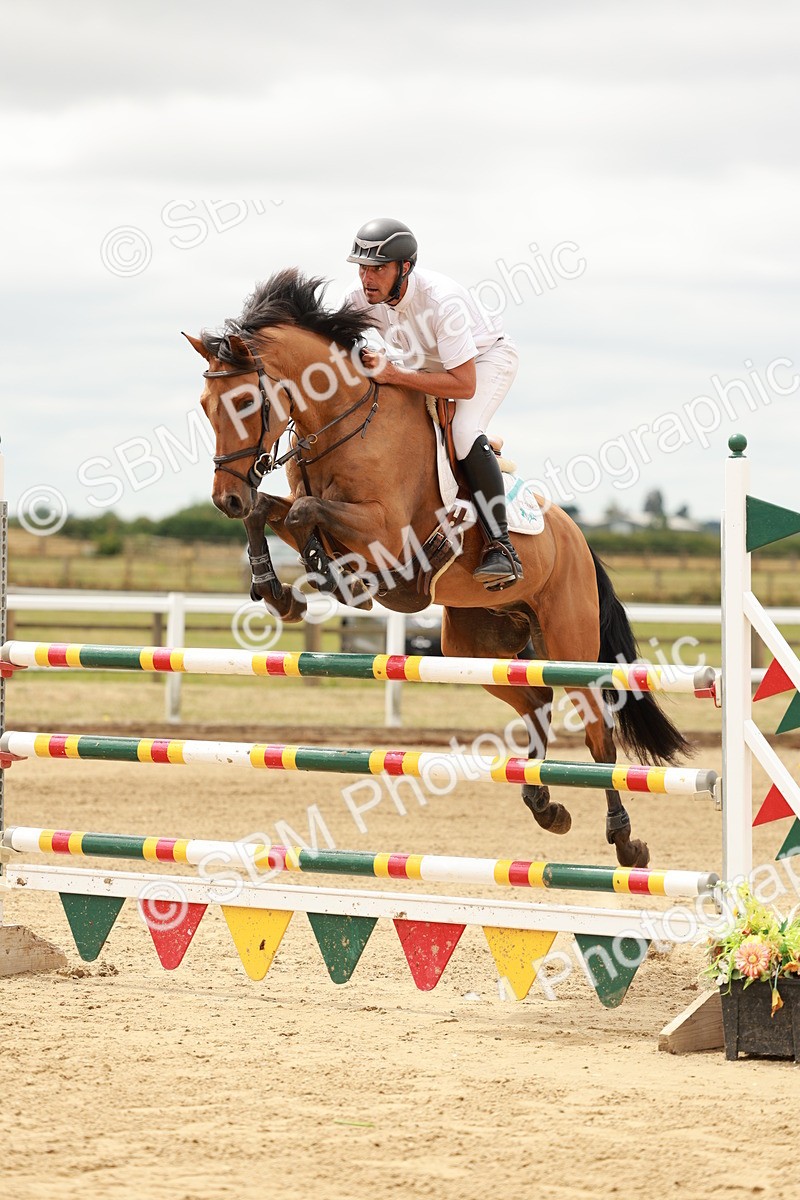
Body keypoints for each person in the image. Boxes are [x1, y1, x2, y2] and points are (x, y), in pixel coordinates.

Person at [343, 217, 523, 589]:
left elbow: (464, 383)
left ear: (404, 268)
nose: (367, 279)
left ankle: (502, 547)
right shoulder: (360, 299)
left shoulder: (443, 301)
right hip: (425, 363)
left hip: (485, 360)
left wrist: (393, 374)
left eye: (377, 269)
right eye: (362, 268)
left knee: (462, 430)